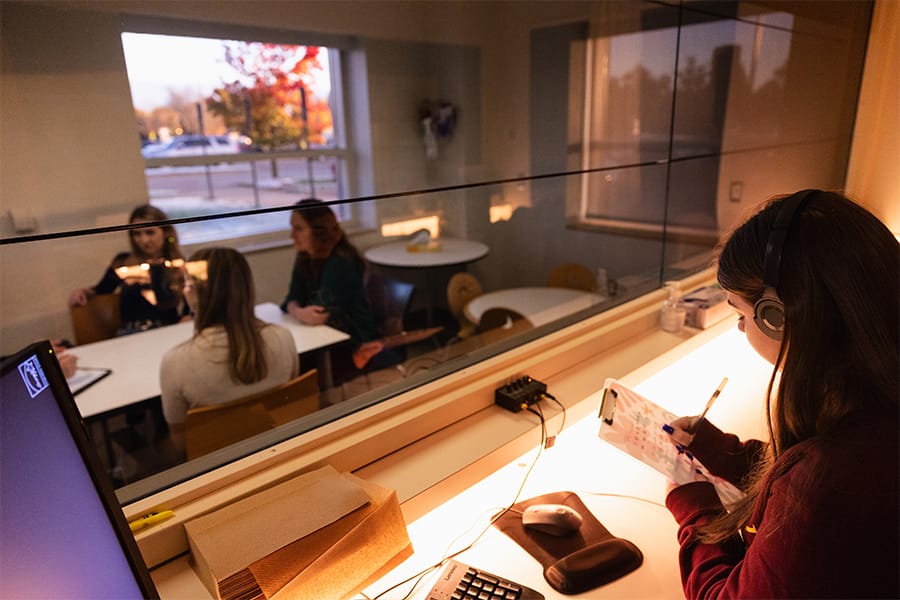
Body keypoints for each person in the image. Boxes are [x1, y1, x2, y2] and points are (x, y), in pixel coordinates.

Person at [663, 190, 899, 598]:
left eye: (740, 313)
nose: (739, 328)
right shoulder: (874, 404)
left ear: (776, 316)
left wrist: (691, 502)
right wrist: (726, 454)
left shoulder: (823, 485)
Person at [160, 247, 299, 453]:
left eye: (189, 283)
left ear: (199, 294)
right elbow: (291, 405)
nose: (185, 289)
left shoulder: (176, 362)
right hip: (278, 452)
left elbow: (181, 444)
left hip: (218, 469)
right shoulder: (283, 338)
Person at [281, 198, 385, 377]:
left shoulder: (340, 262)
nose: (292, 236)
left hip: (354, 341)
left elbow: (318, 315)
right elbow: (289, 301)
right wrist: (299, 311)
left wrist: (296, 309)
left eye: (298, 228)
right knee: (286, 362)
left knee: (291, 366)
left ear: (319, 231)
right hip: (326, 336)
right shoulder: (305, 256)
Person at [69, 204, 188, 334]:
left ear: (165, 232)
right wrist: (83, 292)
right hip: (132, 331)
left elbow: (192, 299)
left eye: (150, 232)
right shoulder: (124, 262)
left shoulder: (176, 263)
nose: (144, 240)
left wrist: (187, 316)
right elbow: (102, 289)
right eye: (137, 234)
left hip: (168, 329)